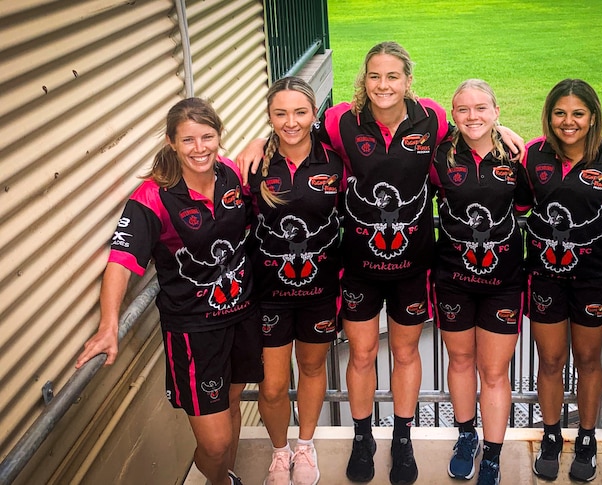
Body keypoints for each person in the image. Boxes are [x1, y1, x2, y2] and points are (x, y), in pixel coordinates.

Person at [236, 41, 524, 485]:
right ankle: (363, 436)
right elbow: (299, 133)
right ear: (363, 81)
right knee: (364, 354)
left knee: (406, 353)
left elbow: (470, 135)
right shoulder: (340, 121)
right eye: (375, 76)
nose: (383, 85)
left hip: (413, 267)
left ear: (408, 80)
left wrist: (501, 130)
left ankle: (403, 439)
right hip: (358, 267)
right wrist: (262, 139)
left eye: (393, 76)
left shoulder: (431, 117)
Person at [75, 97, 262, 485]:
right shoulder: (153, 196)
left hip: (241, 316)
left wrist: (259, 141)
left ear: (219, 137)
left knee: (230, 406)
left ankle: (223, 480)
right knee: (213, 442)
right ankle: (219, 478)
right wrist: (109, 324)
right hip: (194, 331)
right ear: (171, 142)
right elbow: (122, 261)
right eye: (188, 140)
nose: (200, 148)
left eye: (207, 137)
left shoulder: (230, 174)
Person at [429, 79, 530, 485]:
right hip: (452, 277)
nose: (472, 116)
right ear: (453, 116)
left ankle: (493, 452)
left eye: (481, 108)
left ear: (496, 111)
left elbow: (525, 203)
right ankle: (466, 436)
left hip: (504, 280)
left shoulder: (516, 155)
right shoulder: (438, 157)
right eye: (463, 109)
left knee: (493, 371)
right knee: (461, 361)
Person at [523, 79, 602, 482]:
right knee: (550, 361)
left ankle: (585, 437)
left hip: (594, 279)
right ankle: (550, 436)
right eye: (560, 113)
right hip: (545, 277)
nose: (568, 122)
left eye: (578, 113)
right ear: (549, 116)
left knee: (587, 360)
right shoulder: (531, 155)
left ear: (593, 116)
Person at [248, 77, 343, 485]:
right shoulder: (254, 165)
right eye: (280, 113)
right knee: (271, 386)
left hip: (321, 291)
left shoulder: (336, 158)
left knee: (311, 367)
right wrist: (254, 143)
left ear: (315, 113)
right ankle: (279, 451)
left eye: (300, 112)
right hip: (269, 295)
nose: (291, 122)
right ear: (269, 117)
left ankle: (305, 446)